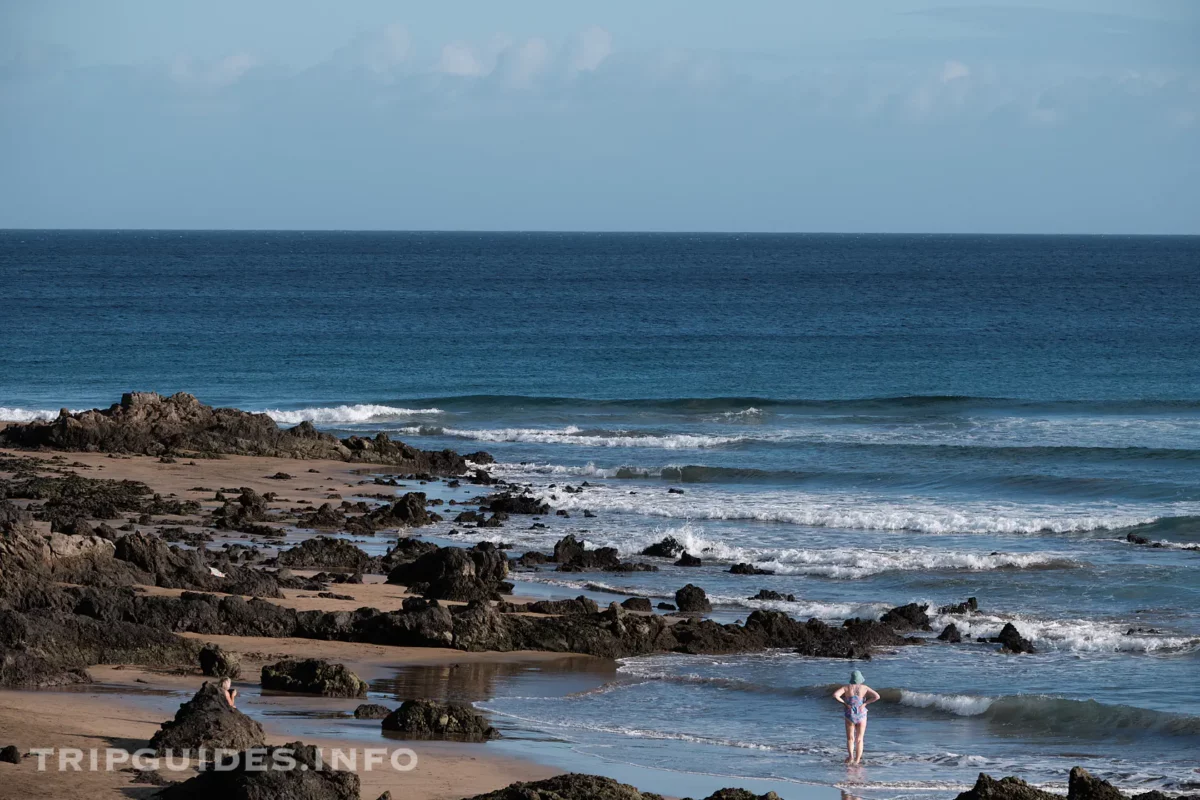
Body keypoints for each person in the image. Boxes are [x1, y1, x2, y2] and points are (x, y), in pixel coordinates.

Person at [833, 670, 879, 764]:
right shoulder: (864, 688)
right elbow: (876, 696)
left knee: (850, 738)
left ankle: (851, 757)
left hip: (850, 713)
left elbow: (835, 695)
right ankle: (857, 760)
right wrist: (865, 704)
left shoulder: (846, 687)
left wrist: (845, 703)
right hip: (861, 713)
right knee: (859, 739)